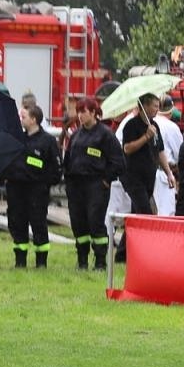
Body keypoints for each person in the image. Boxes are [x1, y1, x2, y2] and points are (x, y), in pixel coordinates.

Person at [62, 97, 126, 270]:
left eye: (83, 111)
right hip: (76, 185)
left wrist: (106, 180)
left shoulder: (105, 135)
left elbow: (118, 162)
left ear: (93, 112)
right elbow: (68, 158)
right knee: (78, 222)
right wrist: (67, 179)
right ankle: (82, 260)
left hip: (96, 184)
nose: (80, 115)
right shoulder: (76, 134)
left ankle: (100, 261)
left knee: (95, 222)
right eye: (78, 111)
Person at [118, 94, 176, 262]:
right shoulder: (131, 125)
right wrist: (145, 137)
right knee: (145, 213)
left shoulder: (154, 125)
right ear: (143, 106)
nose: (158, 109)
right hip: (132, 177)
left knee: (136, 214)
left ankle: (122, 254)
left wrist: (169, 173)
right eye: (154, 105)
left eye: (158, 105)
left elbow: (160, 151)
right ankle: (145, 254)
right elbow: (127, 148)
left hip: (148, 177)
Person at [4, 104, 63, 268]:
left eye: (24, 117)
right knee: (16, 222)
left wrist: (43, 183)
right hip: (16, 189)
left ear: (34, 119)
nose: (21, 120)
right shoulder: (18, 139)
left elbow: (56, 168)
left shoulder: (48, 141)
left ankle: (41, 262)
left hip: (37, 191)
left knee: (38, 224)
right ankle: (20, 261)